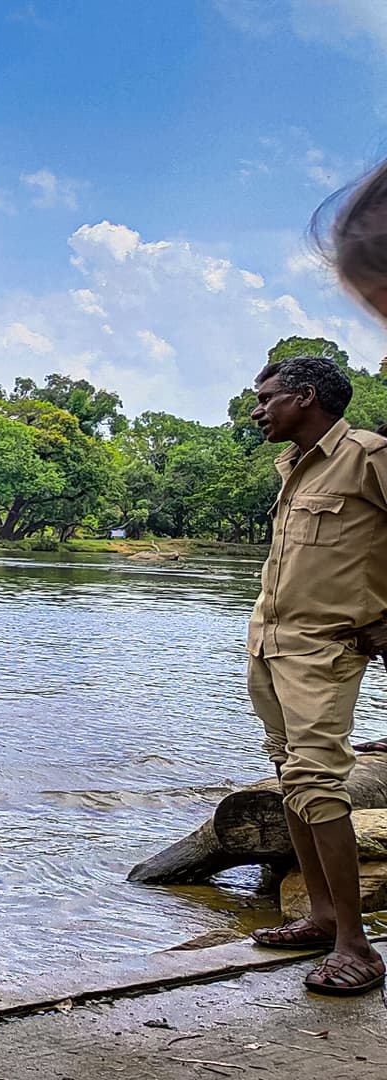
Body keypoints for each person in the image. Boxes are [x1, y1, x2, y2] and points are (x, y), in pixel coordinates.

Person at [243, 353, 387, 996]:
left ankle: (357, 947)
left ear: (305, 397)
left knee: (318, 781)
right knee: (288, 771)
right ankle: (323, 916)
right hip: (270, 645)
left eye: (267, 398)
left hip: (326, 651)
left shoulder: (368, 457)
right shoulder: (294, 468)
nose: (257, 410)